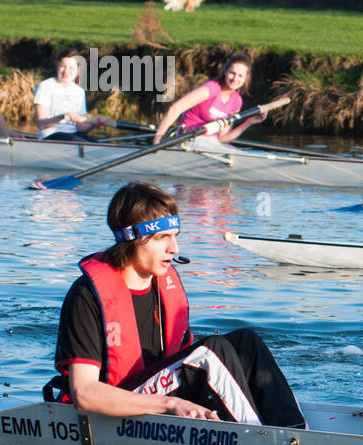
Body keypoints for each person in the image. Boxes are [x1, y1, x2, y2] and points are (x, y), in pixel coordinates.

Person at [48, 182, 305, 428]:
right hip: (114, 407)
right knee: (210, 351)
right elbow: (85, 394)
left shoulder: (165, 284)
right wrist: (170, 404)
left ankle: (295, 431)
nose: (174, 248)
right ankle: (261, 442)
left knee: (245, 342)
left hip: (159, 393)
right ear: (130, 238)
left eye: (175, 236)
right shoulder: (86, 295)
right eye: (163, 238)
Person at [152, 53, 267, 148]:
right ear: (225, 72)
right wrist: (157, 140)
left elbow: (223, 138)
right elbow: (175, 109)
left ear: (246, 78)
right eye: (232, 73)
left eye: (240, 76)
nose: (235, 79)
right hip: (187, 138)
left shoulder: (237, 101)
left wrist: (249, 122)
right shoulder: (211, 89)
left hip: (210, 143)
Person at [34, 48, 112, 142]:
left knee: (96, 144)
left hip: (72, 135)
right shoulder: (45, 86)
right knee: (83, 144)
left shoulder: (79, 92)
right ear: (57, 66)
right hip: (50, 135)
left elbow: (80, 128)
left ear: (78, 70)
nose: (66, 71)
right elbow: (40, 124)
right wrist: (62, 117)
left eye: (71, 68)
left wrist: (95, 123)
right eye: (62, 66)